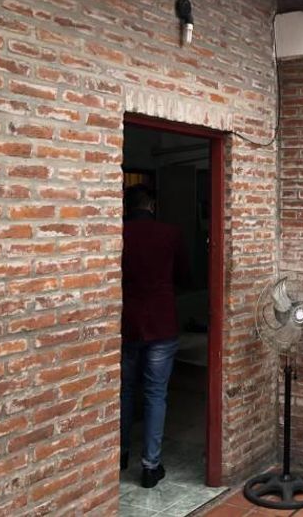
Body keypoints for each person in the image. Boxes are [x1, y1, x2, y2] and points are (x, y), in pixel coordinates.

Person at [120, 184, 190, 488]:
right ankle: (150, 466)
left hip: (126, 322)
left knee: (124, 391)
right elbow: (184, 275)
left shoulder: (118, 233)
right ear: (151, 204)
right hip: (161, 322)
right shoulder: (169, 233)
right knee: (155, 393)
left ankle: (119, 454)